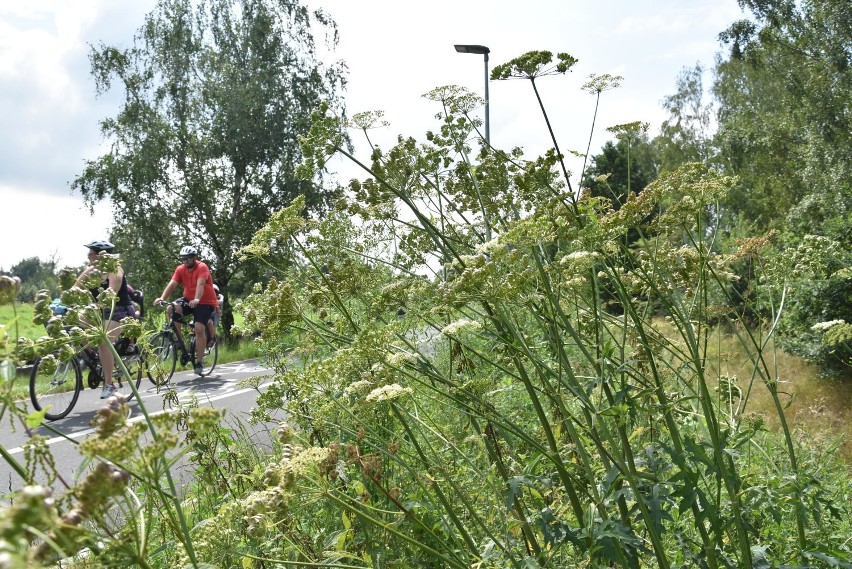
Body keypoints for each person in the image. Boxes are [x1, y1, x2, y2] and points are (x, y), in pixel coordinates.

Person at [75, 240, 137, 398]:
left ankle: (109, 384)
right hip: (99, 311)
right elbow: (75, 288)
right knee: (76, 325)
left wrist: (100, 304)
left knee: (104, 341)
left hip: (120, 311)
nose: (88, 256)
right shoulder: (91, 270)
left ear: (101, 255)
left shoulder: (115, 269)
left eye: (91, 253)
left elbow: (112, 290)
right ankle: (96, 357)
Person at [155, 246, 219, 375]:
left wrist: (196, 299)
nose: (185, 261)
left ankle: (199, 362)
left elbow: (200, 284)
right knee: (171, 308)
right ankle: (178, 341)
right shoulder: (180, 269)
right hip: (188, 299)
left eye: (188, 259)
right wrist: (162, 298)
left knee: (199, 328)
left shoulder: (202, 267)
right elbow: (172, 284)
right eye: (183, 259)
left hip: (205, 302)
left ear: (195, 258)